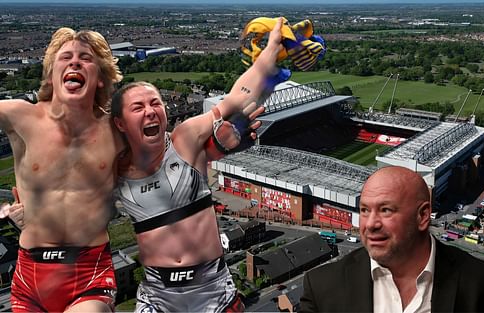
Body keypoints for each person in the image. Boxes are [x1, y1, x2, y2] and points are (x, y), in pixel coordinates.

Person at [109, 18, 285, 313]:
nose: (151, 111)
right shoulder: (114, 169)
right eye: (138, 108)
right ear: (120, 123)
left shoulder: (184, 140)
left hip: (211, 291)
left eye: (156, 103)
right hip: (157, 296)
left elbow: (239, 95)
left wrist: (271, 52)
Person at [0, 27, 124, 312]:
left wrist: (223, 137)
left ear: (101, 77)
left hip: (89, 272)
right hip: (31, 275)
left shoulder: (117, 130)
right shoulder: (20, 117)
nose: (75, 62)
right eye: (65, 57)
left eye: (86, 58)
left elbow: (176, 151)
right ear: (51, 72)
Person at [300, 166, 484, 313]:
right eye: (364, 210)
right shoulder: (322, 287)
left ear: (422, 216)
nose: (370, 224)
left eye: (386, 210)